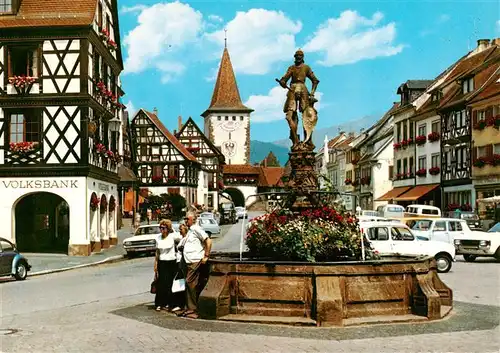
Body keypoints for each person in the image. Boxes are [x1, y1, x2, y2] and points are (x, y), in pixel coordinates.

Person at [178, 211, 212, 319]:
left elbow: (208, 241)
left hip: (195, 260)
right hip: (189, 261)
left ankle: (194, 309)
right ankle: (190, 308)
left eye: (187, 219)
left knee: (190, 282)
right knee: (189, 284)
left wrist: (206, 255)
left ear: (193, 219)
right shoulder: (190, 230)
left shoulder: (197, 229)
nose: (185, 221)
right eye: (185, 219)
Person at [154, 219, 181, 312]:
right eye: (160, 228)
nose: (161, 230)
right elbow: (157, 252)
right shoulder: (158, 238)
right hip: (162, 262)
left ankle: (172, 304)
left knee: (171, 283)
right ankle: (160, 303)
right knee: (162, 283)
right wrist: (155, 264)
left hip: (171, 262)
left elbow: (182, 237)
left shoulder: (172, 237)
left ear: (168, 228)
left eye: (163, 228)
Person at [171, 224, 189, 313]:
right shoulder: (181, 239)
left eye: (181, 229)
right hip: (178, 262)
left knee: (180, 283)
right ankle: (178, 303)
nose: (179, 231)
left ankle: (180, 304)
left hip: (182, 263)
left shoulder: (186, 239)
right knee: (178, 283)